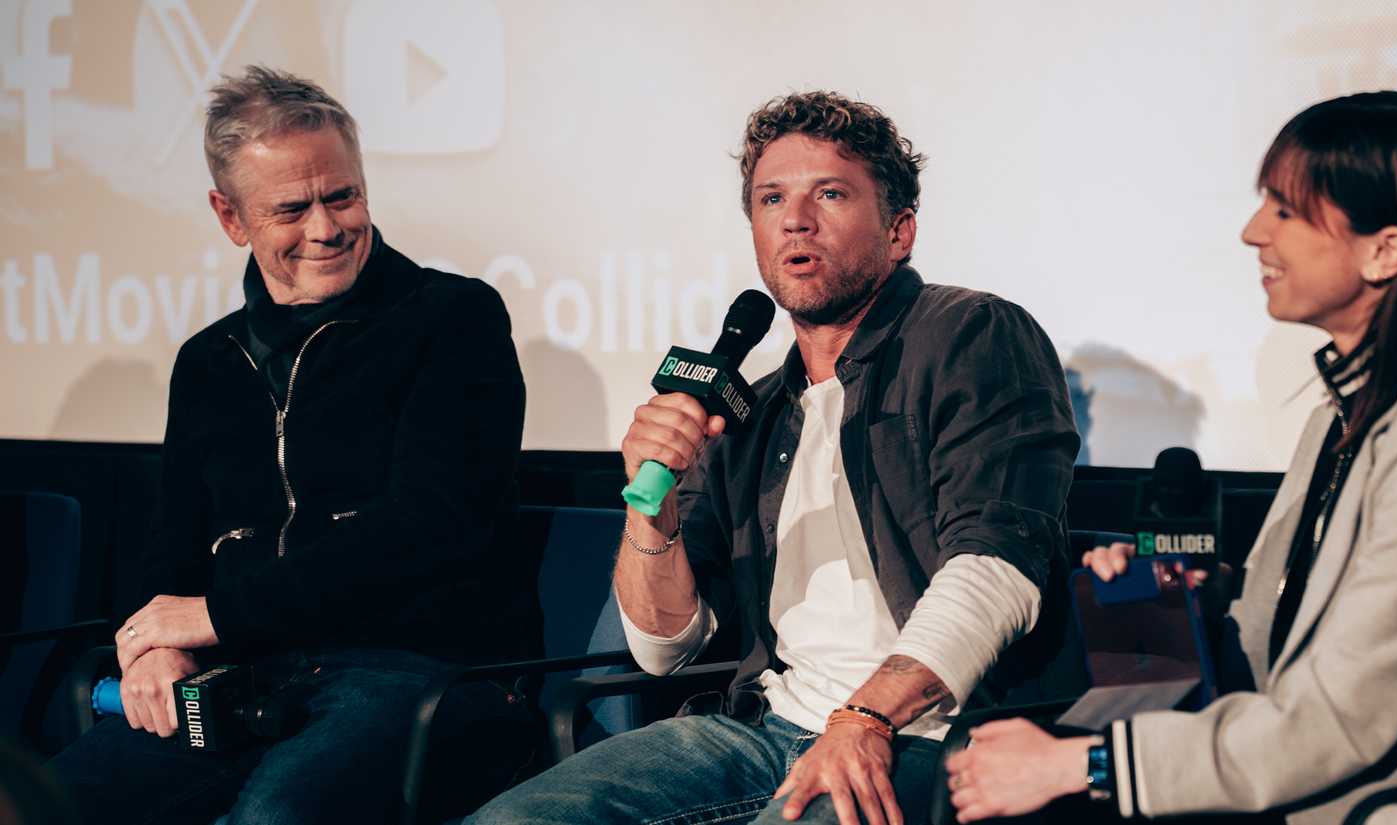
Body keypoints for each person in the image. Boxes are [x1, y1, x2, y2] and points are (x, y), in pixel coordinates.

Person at [947, 91, 1397, 824]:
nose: (1252, 231)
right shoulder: (1353, 403)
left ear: (1384, 250)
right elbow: (1331, 619)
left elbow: (1342, 715)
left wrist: (1080, 763)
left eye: (1286, 209)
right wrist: (1185, 594)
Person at [468, 91, 1079, 825]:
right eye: (771, 198)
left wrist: (865, 718)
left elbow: (997, 566)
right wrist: (651, 512)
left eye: (830, 193)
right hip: (766, 729)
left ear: (899, 230)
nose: (796, 218)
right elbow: (666, 649)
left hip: (930, 735)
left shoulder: (971, 334)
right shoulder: (750, 411)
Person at [47, 65, 538, 823]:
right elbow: (168, 549)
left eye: (342, 195)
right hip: (244, 676)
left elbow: (430, 529)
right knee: (52, 803)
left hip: (411, 668)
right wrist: (154, 647)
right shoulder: (208, 362)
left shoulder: (453, 318)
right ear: (229, 216)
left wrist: (215, 615)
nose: (326, 228)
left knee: (275, 816)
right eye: (291, 207)